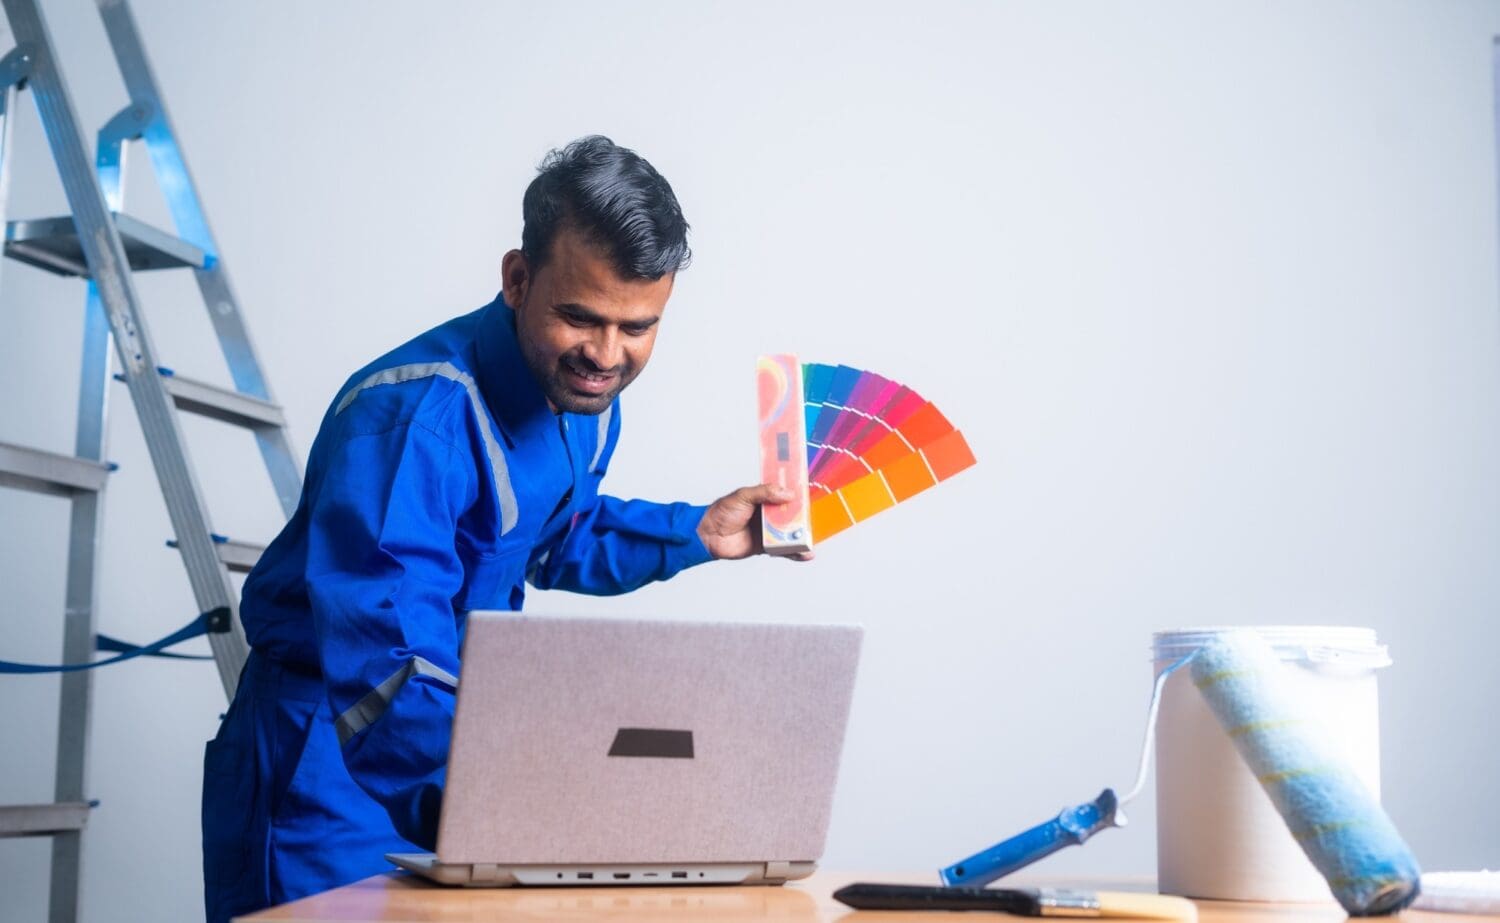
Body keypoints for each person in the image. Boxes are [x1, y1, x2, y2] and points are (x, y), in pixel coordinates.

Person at [201, 135, 806, 923]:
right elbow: (386, 659)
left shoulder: (583, 398)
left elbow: (553, 540)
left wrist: (696, 532)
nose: (606, 354)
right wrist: (506, 816)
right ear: (517, 279)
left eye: (638, 326)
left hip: (459, 747)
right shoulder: (413, 419)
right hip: (327, 761)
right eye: (580, 317)